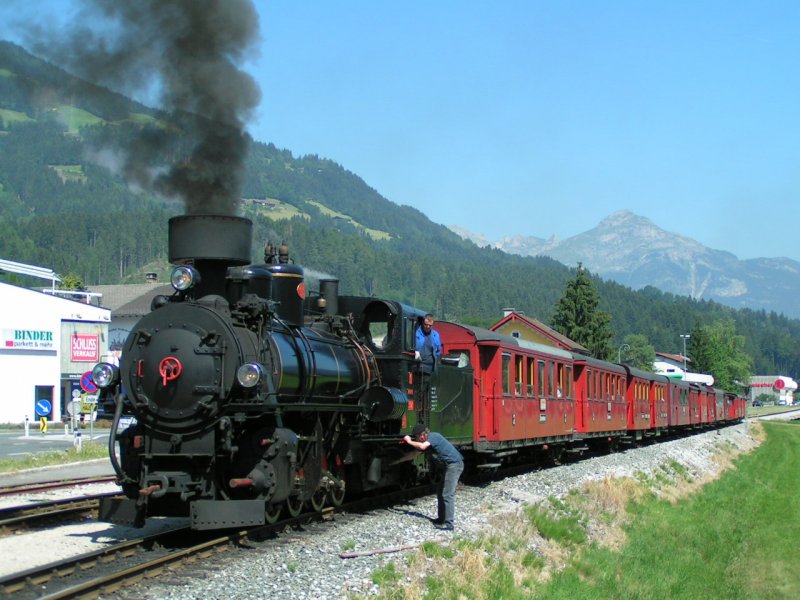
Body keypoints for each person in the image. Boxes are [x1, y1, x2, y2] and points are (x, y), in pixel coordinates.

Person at [403, 424, 464, 531]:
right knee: (440, 491)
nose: (417, 439)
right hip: (449, 466)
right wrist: (394, 461)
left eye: (416, 437)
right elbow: (414, 453)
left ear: (422, 435)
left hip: (454, 465)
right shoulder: (428, 443)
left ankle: (449, 524)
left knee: (447, 494)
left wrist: (409, 441)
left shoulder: (434, 437)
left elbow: (422, 446)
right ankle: (441, 519)